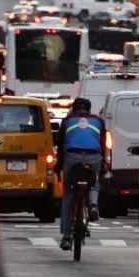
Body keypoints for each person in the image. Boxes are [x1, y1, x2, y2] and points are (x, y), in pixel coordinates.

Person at [55, 97, 104, 251]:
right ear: (89, 110)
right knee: (95, 181)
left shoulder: (67, 121)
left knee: (68, 195)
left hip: (72, 157)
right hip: (94, 156)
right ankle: (94, 204)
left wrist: (58, 166)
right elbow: (103, 144)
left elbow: (61, 146)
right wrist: (104, 165)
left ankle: (67, 237)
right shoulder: (98, 121)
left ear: (74, 110)